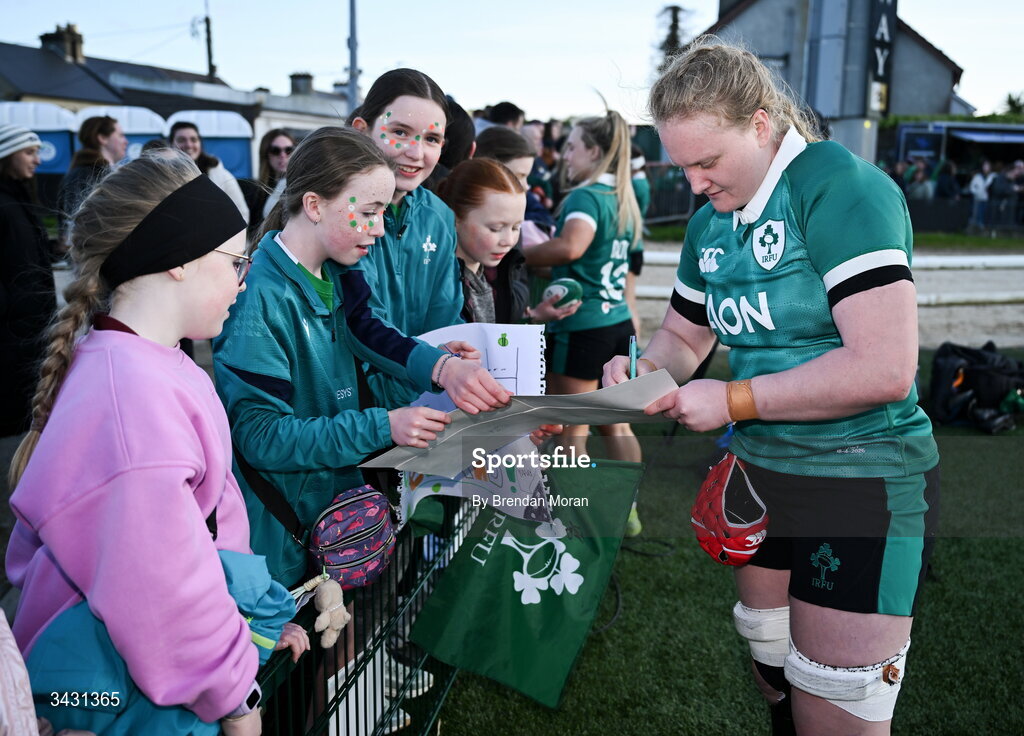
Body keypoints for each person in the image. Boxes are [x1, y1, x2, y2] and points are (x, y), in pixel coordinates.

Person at [605, 37, 939, 735]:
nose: (693, 183)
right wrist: (641, 370)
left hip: (860, 475)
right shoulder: (710, 223)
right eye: (682, 165)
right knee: (772, 666)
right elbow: (687, 338)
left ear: (761, 125)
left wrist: (731, 400)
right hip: (762, 473)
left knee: (834, 706)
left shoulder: (843, 189)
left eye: (706, 161)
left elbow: (883, 367)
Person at [6, 150, 309, 736]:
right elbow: (162, 596)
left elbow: (204, 537)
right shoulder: (131, 400)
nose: (243, 281)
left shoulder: (149, 361)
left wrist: (251, 618)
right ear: (179, 260)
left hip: (147, 680)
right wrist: (235, 696)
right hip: (131, 694)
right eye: (235, 261)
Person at [523, 109, 644, 535]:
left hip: (582, 326)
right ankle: (627, 508)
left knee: (572, 431)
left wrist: (521, 252)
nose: (565, 155)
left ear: (594, 152)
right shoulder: (625, 198)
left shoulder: (586, 197)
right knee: (617, 424)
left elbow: (572, 247)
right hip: (618, 323)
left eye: (572, 146)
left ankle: (572, 518)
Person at [345, 69, 465, 339]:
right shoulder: (339, 212)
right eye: (400, 132)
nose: (415, 153)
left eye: (431, 139)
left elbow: (446, 317)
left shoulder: (439, 216)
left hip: (425, 376)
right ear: (363, 131)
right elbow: (359, 324)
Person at [436, 157, 578, 325]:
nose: (509, 241)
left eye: (516, 228)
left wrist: (533, 317)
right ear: (454, 218)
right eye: (495, 228)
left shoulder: (497, 273)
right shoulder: (437, 284)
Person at [0, 124, 56, 437]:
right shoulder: (4, 204)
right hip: (11, 335)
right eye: (29, 152)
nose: (37, 159)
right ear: (7, 155)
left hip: (29, 331)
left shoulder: (18, 199)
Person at [55, 115, 128, 245]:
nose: (126, 141)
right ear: (102, 138)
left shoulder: (90, 172)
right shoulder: (86, 174)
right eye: (121, 135)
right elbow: (74, 223)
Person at [170, 121, 250, 221]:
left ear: (200, 143)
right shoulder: (164, 176)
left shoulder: (221, 175)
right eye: (181, 140)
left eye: (193, 139)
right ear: (171, 144)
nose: (189, 145)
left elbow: (242, 214)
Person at [240, 128, 295, 241]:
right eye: (275, 150)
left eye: (288, 150)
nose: (283, 155)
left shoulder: (298, 185)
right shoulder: (256, 191)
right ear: (266, 154)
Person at [626, 144, 651, 337]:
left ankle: (633, 347)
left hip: (631, 247)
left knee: (628, 302)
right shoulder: (640, 181)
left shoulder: (636, 184)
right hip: (635, 245)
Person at [969, 160, 994, 230]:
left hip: (986, 198)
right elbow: (972, 187)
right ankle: (974, 226)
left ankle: (982, 226)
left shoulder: (992, 176)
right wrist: (976, 193)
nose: (986, 168)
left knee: (984, 213)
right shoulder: (977, 176)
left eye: (988, 166)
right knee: (976, 213)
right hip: (977, 198)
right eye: (985, 166)